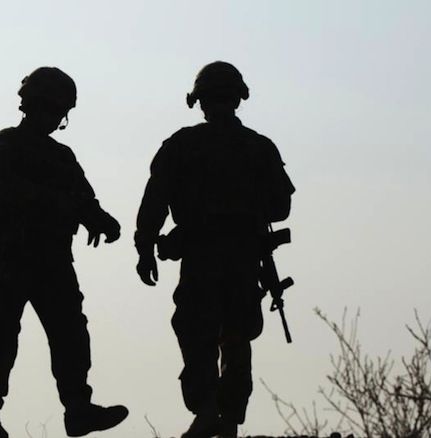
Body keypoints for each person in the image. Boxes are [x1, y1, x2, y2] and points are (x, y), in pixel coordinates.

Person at [0, 67, 128, 438]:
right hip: (9, 256)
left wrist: (101, 220)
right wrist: (55, 203)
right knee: (0, 337)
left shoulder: (60, 156)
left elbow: (84, 198)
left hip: (52, 260)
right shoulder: (1, 145)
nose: (54, 118)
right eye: (52, 109)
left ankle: (78, 409)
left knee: (70, 334)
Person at [134, 61, 295, 438]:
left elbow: (154, 203)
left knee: (198, 331)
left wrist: (145, 248)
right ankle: (228, 420)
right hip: (241, 255)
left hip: (203, 255)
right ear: (238, 99)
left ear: (200, 101)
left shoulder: (182, 145)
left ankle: (208, 411)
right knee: (235, 335)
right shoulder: (259, 147)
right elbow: (281, 206)